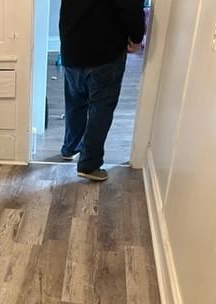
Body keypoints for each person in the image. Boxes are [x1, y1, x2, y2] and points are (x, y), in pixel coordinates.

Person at [59, 0, 146, 181]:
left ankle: (70, 147)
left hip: (72, 44)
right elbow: (130, 7)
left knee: (75, 101)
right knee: (101, 108)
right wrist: (137, 37)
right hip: (104, 51)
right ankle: (89, 165)